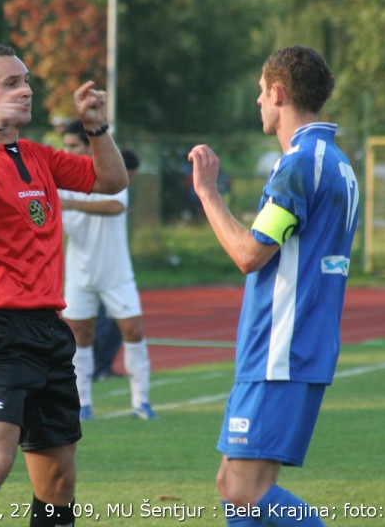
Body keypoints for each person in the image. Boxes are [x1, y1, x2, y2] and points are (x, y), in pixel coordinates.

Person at [0, 43, 127, 527]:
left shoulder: (40, 156)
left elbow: (112, 181)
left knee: (58, 479)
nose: (27, 90)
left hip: (47, 329)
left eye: (26, 80)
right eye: (12, 83)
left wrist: (96, 126)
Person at [188, 45, 359, 526]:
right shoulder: (336, 160)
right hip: (291, 345)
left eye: (261, 93)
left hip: (282, 348)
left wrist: (207, 194)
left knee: (245, 489)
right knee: (232, 485)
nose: (258, 102)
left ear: (278, 92)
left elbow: (249, 253)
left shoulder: (300, 163)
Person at [59, 127, 155, 421]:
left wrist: (72, 204)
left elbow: (115, 206)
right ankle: (83, 403)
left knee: (133, 331)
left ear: (89, 146)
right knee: (80, 336)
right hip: (78, 274)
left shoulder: (110, 172)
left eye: (74, 145)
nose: (68, 150)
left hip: (116, 273)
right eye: (66, 145)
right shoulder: (59, 180)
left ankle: (141, 403)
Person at [92, 149, 139, 382]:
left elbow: (116, 207)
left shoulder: (118, 188)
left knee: (119, 326)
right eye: (131, 173)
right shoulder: (105, 180)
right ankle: (96, 368)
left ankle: (103, 367)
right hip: (89, 270)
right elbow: (113, 207)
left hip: (115, 269)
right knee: (99, 324)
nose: (131, 178)